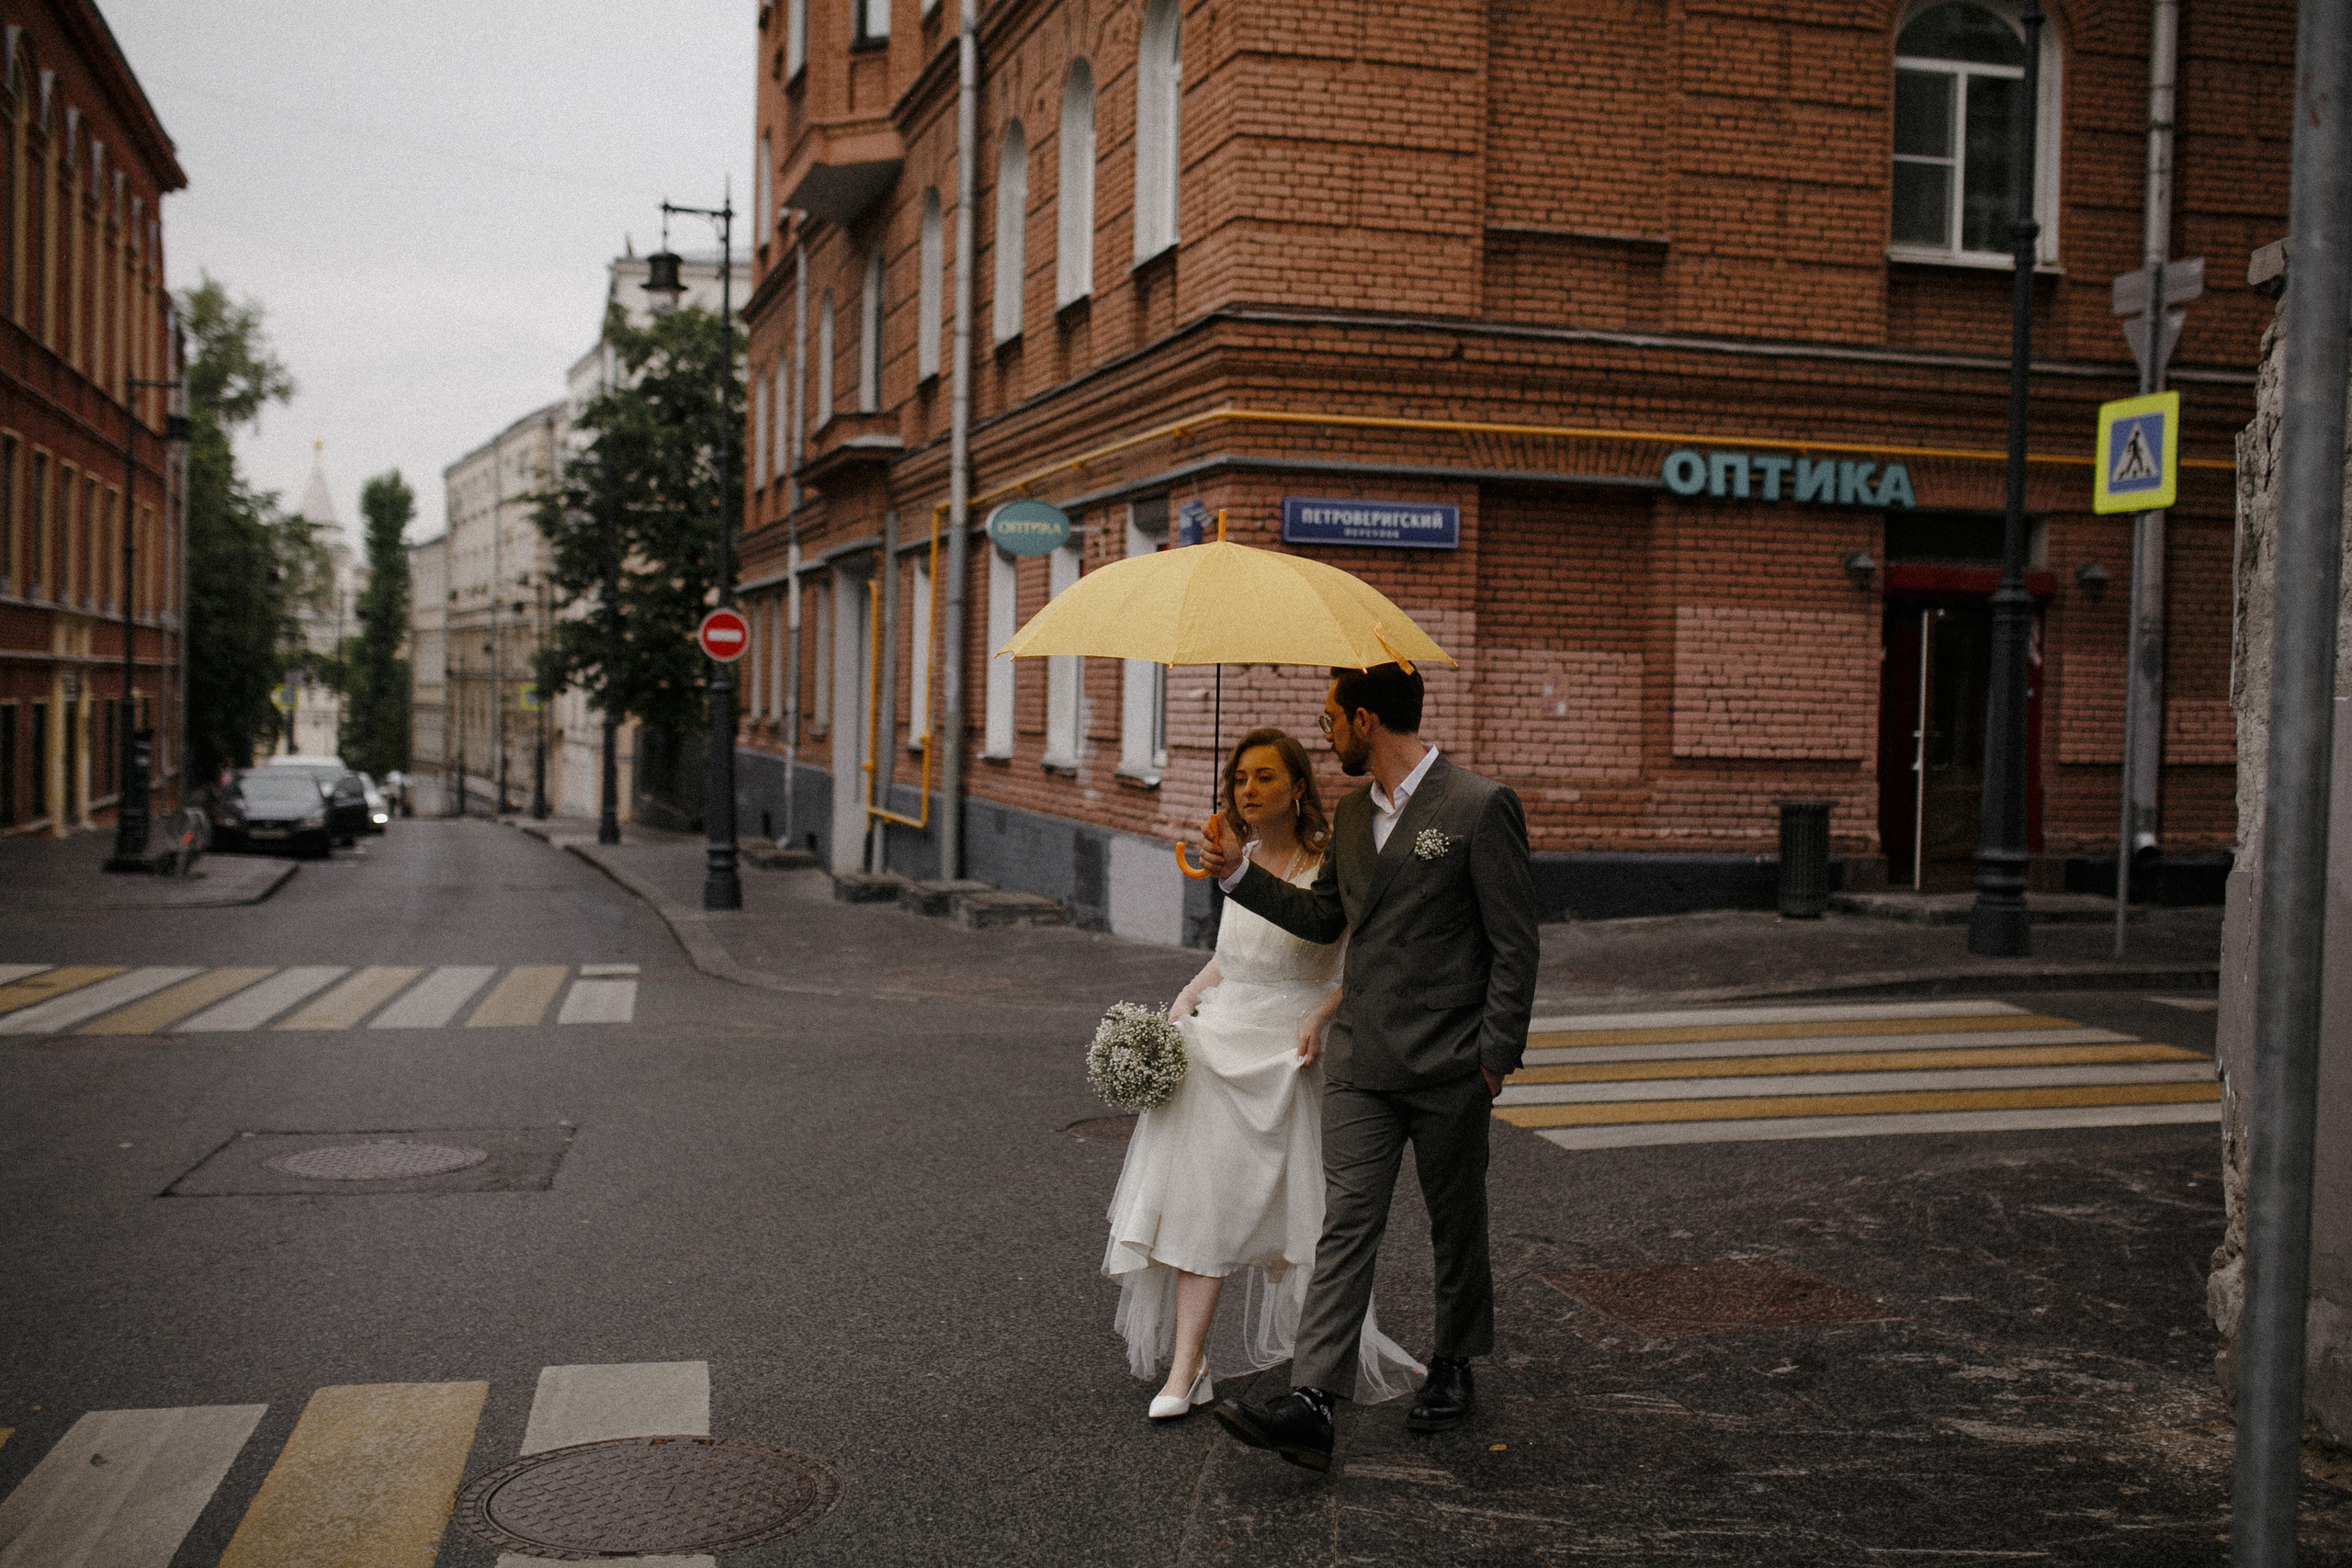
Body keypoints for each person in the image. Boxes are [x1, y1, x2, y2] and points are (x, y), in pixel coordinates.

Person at [1197, 662, 1539, 1473]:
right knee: (1346, 1223)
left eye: (1330, 720)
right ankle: (1313, 1399)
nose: (1325, 734)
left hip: (1451, 1062)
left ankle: (1454, 1359)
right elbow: (1325, 919)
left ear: (1365, 720)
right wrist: (1237, 874)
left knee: (1456, 1219)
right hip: (1359, 1059)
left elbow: (1514, 945)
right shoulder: (1352, 816)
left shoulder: (1477, 806)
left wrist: (1495, 1057)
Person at [1102, 728, 1422, 1421]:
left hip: (1286, 1056)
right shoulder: (1238, 858)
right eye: (1241, 778)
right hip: (1217, 1049)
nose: (1249, 789)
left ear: (1299, 786)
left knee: (1307, 1223)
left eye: (1266, 777)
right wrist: (1184, 1000)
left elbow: (1355, 957)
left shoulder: (1324, 866)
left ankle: (1322, 1368)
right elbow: (1234, 958)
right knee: (1200, 1207)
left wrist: (1323, 1017)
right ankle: (1189, 1367)